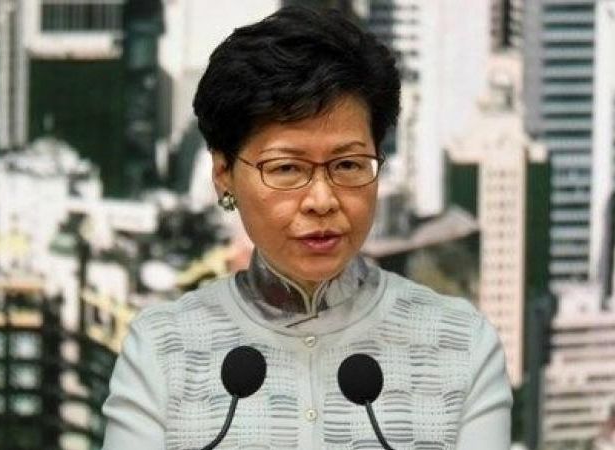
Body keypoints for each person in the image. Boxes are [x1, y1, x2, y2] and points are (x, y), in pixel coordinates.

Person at [102, 6, 512, 450]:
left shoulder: (460, 346)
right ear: (224, 175)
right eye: (287, 168)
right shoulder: (162, 349)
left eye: (348, 164)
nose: (322, 200)